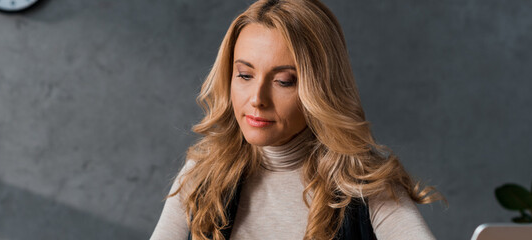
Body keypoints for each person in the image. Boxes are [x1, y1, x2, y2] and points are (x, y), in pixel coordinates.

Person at [151, 0, 443, 239]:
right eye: (245, 75)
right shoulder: (202, 174)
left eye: (284, 81)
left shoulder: (366, 184)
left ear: (320, 90)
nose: (257, 98)